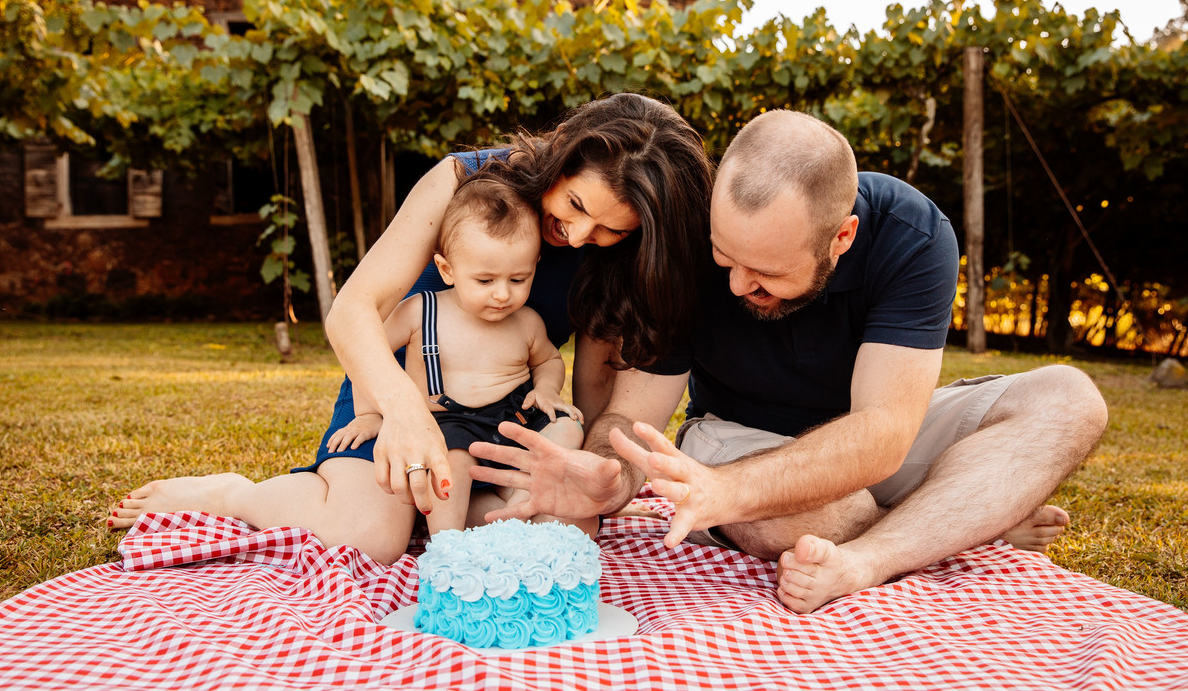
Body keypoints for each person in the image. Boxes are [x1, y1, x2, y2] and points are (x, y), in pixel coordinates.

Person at [468, 108, 1109, 614]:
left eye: (768, 272)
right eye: (726, 256)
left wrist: (728, 495)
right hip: (737, 437)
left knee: (1068, 400)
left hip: (866, 434)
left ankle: (870, 557)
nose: (738, 285)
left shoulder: (913, 235)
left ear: (842, 237)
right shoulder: (683, 245)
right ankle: (963, 518)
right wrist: (612, 473)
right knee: (809, 514)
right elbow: (633, 416)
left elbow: (884, 431)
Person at [108, 93, 715, 565]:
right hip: (396, 390)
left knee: (556, 533)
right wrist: (400, 411)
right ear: (563, 157)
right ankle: (230, 495)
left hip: (501, 410)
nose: (581, 236)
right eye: (577, 206)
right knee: (371, 536)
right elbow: (354, 311)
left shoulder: (624, 255)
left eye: (611, 229)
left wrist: (584, 470)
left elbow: (594, 392)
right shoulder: (465, 183)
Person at [325, 173, 589, 535]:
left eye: (518, 280)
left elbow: (548, 360)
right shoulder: (422, 310)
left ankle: (517, 511)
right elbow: (369, 352)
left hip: (511, 417)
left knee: (568, 429)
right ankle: (447, 542)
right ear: (447, 269)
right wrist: (372, 414)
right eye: (485, 281)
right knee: (454, 461)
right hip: (448, 423)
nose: (502, 295)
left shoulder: (526, 321)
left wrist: (546, 390)